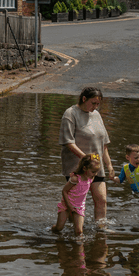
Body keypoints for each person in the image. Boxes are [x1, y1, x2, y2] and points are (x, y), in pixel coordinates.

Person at [60, 87, 114, 226]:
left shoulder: (96, 115)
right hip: (78, 167)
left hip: (95, 167)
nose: (96, 107)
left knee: (101, 199)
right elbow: (68, 142)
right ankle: (72, 227)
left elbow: (103, 143)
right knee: (74, 202)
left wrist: (109, 165)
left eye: (98, 104)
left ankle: (101, 228)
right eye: (93, 103)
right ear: (84, 99)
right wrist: (86, 159)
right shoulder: (70, 114)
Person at [52, 153, 101, 235]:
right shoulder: (75, 179)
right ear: (84, 168)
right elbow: (64, 191)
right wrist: (69, 206)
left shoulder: (90, 179)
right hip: (66, 205)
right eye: (93, 172)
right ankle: (51, 229)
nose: (95, 174)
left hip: (79, 207)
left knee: (79, 231)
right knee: (59, 228)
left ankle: (79, 242)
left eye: (96, 172)